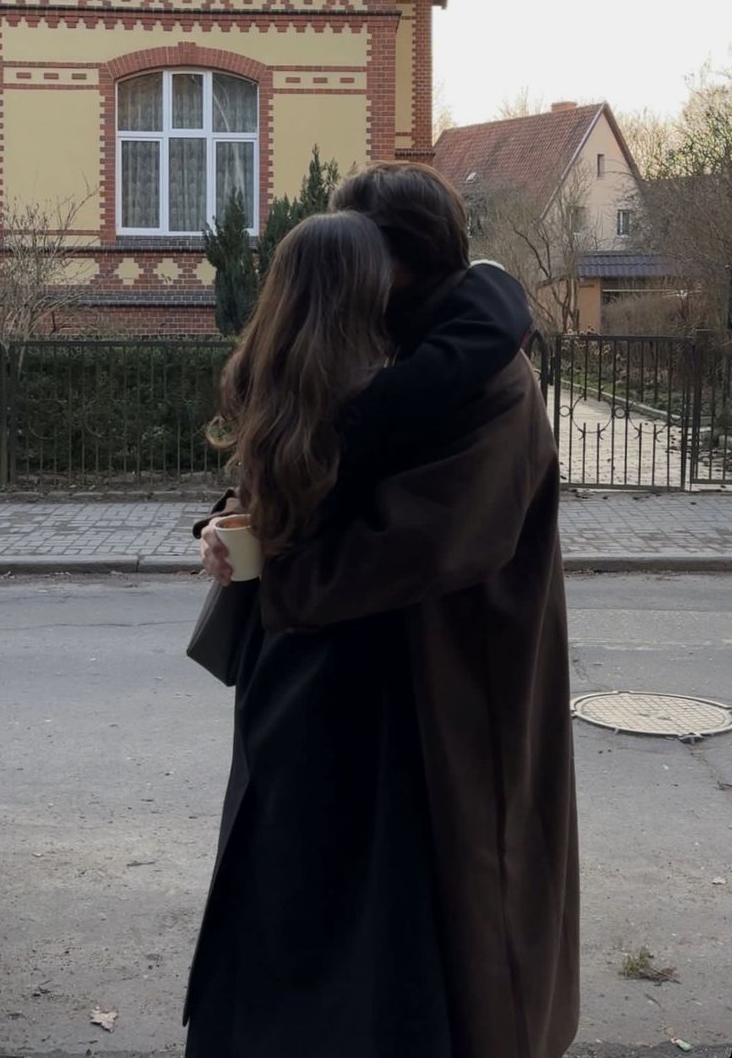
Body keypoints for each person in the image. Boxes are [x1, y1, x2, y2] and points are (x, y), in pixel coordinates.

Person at [190, 164, 579, 1058]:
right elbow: (296, 467)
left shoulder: (493, 387)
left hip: (432, 710)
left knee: (414, 948)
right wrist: (225, 526)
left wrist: (277, 579)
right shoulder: (372, 347)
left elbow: (428, 542)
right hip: (320, 697)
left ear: (402, 264)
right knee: (296, 920)